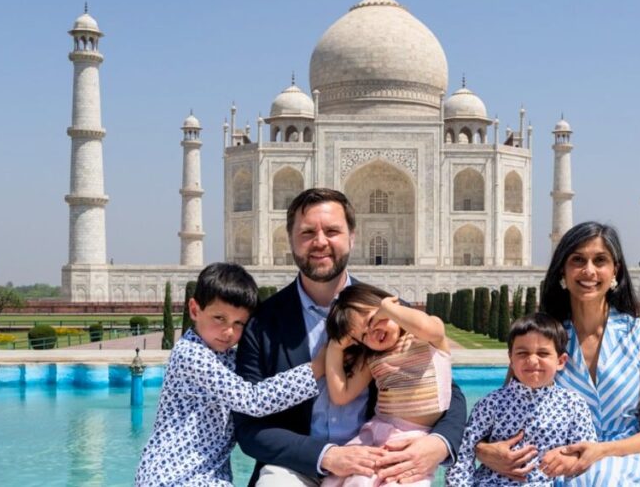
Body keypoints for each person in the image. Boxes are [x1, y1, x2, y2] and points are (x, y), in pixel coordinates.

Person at [234, 188, 468, 487]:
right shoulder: (264, 323)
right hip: (298, 464)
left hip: (376, 458)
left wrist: (438, 443)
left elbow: (446, 386)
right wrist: (326, 456)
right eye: (307, 232)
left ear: (352, 237)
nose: (320, 242)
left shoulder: (388, 313)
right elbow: (249, 426)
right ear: (290, 238)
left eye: (332, 231)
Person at [475, 221, 640, 485]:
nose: (589, 270)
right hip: (557, 461)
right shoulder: (544, 341)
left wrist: (599, 451)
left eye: (600, 260)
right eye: (578, 260)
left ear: (615, 270)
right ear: (563, 269)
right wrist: (484, 450)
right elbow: (505, 409)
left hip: (634, 459)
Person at [135, 263, 326, 487]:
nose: (229, 332)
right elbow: (251, 399)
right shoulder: (191, 354)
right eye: (219, 319)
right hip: (175, 475)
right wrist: (316, 369)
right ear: (195, 310)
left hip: (206, 474)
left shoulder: (224, 356)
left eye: (239, 324)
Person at [322, 284, 453, 487]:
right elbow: (341, 395)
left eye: (372, 320)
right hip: (376, 430)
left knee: (397, 480)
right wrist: (335, 349)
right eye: (364, 336)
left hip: (413, 439)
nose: (372, 332)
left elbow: (427, 327)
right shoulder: (373, 358)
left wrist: (391, 308)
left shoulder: (425, 338)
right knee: (346, 480)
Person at [446, 313, 597, 486]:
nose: (532, 360)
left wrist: (568, 463)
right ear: (511, 358)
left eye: (543, 353)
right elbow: (463, 452)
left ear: (561, 361)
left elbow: (587, 453)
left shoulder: (573, 405)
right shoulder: (492, 403)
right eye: (522, 353)